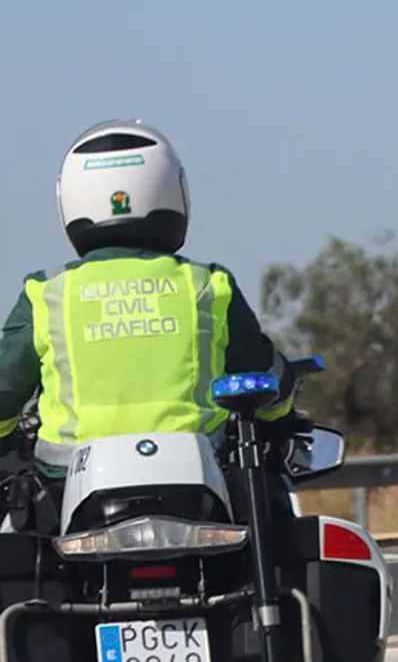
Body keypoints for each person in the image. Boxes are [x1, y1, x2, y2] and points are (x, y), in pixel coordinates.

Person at [0, 119, 298, 525]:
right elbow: (264, 377)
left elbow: (3, 392)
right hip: (201, 478)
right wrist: (279, 416)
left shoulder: (47, 292)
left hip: (66, 484)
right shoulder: (208, 284)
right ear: (173, 191)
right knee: (272, 513)